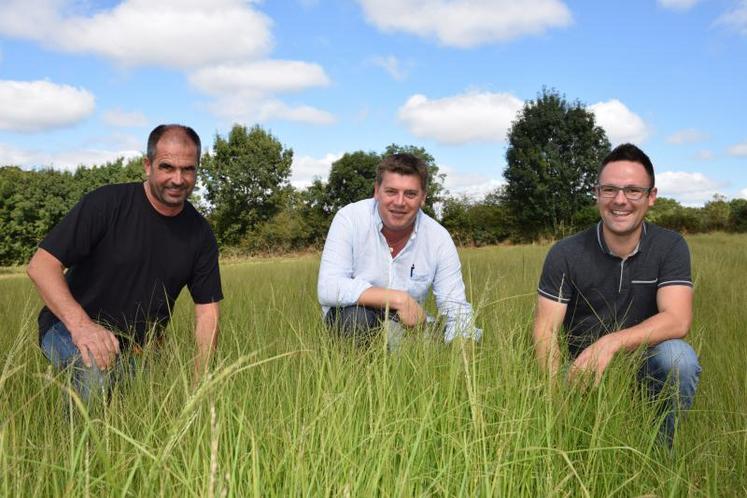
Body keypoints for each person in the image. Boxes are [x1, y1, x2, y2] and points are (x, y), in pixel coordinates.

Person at [27, 124, 223, 402]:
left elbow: (207, 314)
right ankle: (79, 445)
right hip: (67, 327)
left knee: (159, 397)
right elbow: (42, 265)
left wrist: (199, 384)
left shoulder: (200, 234)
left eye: (188, 169)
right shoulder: (107, 204)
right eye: (167, 167)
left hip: (138, 349)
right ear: (148, 165)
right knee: (94, 367)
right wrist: (83, 328)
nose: (178, 179)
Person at [533, 143, 701, 445]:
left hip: (644, 366)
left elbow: (678, 319)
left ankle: (661, 452)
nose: (620, 200)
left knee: (679, 359)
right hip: (582, 370)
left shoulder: (671, 246)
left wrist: (609, 344)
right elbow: (546, 331)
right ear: (597, 194)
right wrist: (555, 394)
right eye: (609, 189)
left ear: (651, 197)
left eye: (633, 190)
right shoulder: (566, 252)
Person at [317, 152, 480, 349]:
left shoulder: (438, 238)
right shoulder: (350, 219)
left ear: (423, 198)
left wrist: (464, 355)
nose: (400, 202)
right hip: (354, 322)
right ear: (377, 191)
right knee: (356, 318)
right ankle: (360, 378)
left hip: (410, 330)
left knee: (456, 341)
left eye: (410, 194)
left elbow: (455, 307)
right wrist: (398, 299)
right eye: (391, 191)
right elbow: (329, 287)